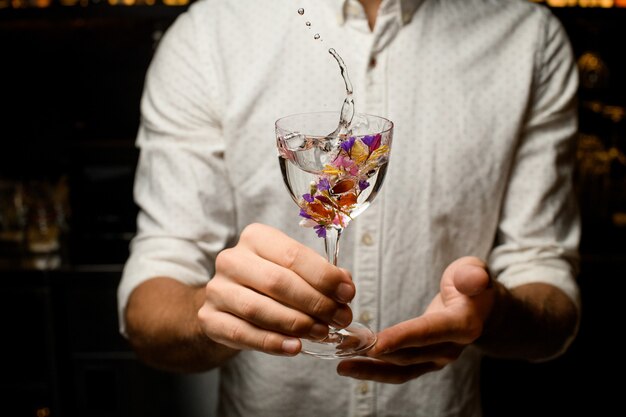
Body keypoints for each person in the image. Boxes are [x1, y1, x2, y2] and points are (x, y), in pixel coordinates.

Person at [117, 0, 581, 415]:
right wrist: (212, 312)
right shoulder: (208, 34)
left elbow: (548, 283)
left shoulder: (529, 37)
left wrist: (493, 314)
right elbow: (151, 306)